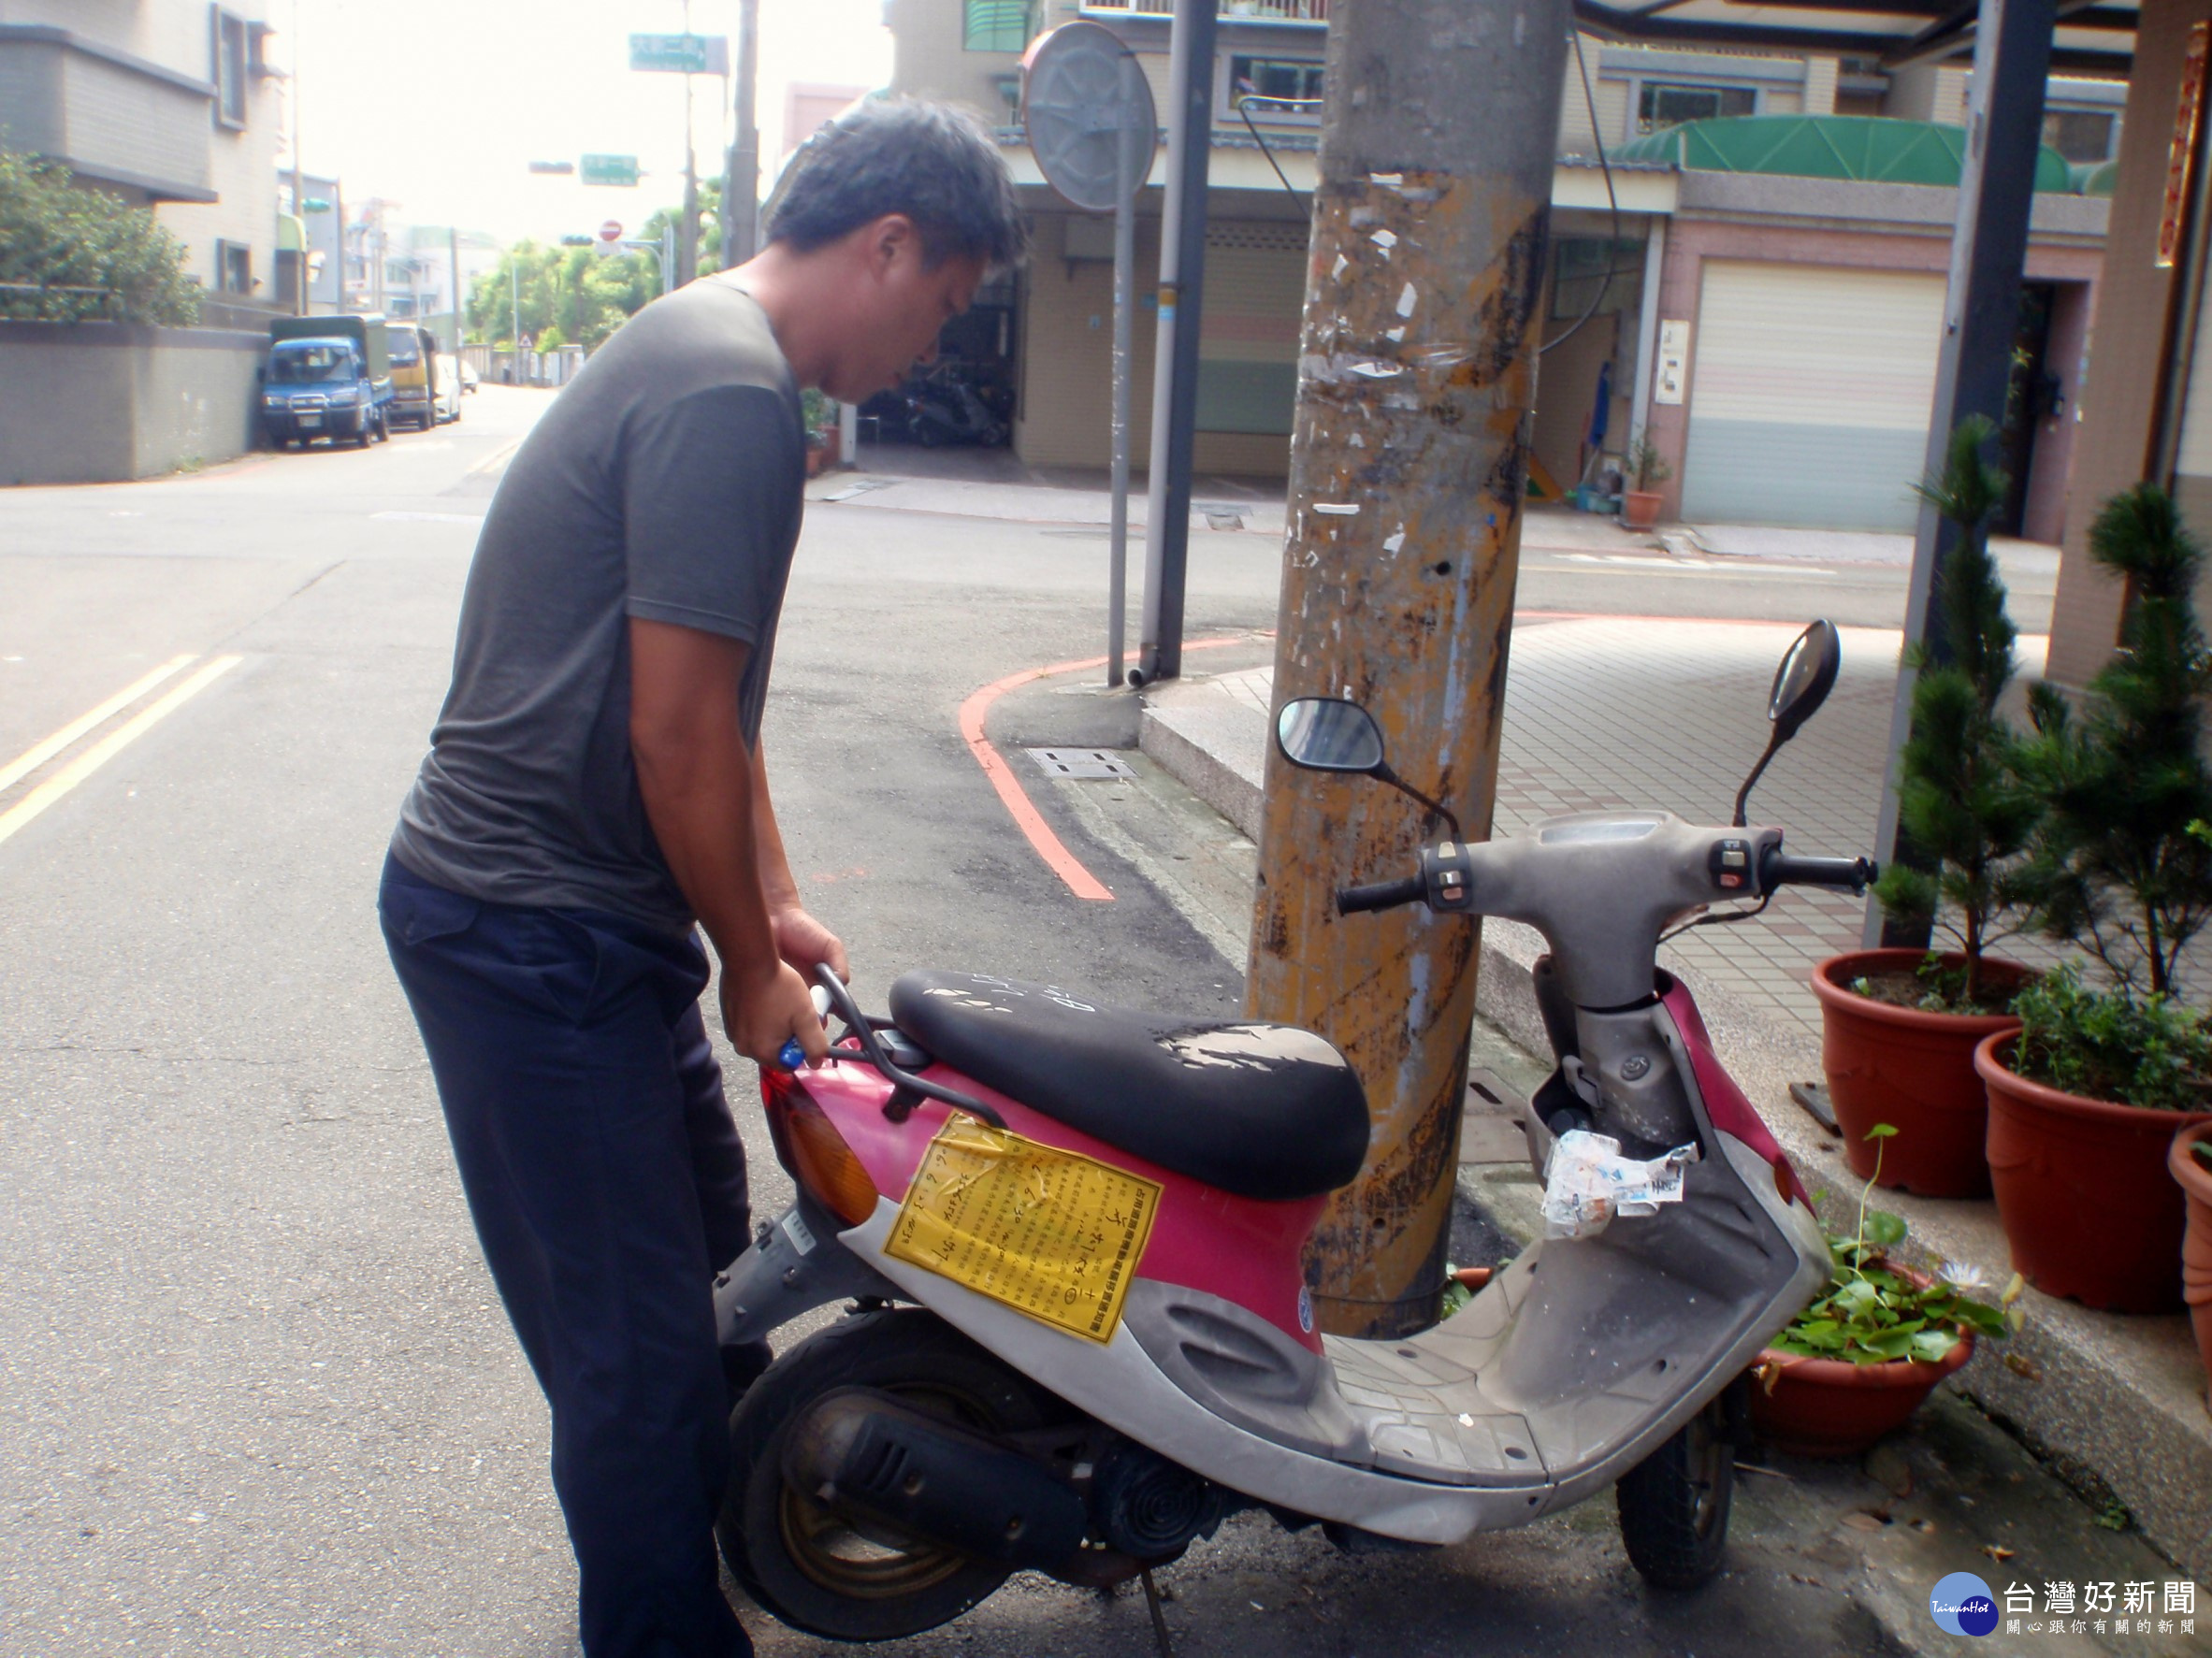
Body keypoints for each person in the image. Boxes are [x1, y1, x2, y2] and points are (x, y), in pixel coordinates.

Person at [377, 101, 1025, 1658]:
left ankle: (724, 1535)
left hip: (578, 927)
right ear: (886, 246)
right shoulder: (729, 391)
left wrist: (771, 902)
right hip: (530, 934)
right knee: (635, 1350)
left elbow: (716, 716)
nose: (929, 347)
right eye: (940, 302)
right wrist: (747, 959)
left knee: (703, 1254)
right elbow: (672, 738)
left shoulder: (706, 353)